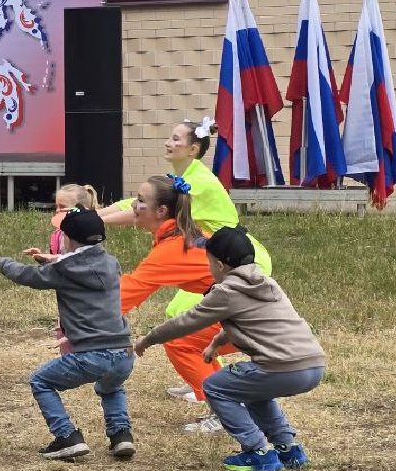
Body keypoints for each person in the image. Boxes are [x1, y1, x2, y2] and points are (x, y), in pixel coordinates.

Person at [103, 118, 274, 403]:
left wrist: (84, 320)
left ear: (194, 149)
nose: (167, 143)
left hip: (244, 262)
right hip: (233, 273)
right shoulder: (178, 190)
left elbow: (129, 290)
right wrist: (95, 214)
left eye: (176, 139)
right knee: (179, 320)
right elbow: (136, 205)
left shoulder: (196, 185)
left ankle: (218, 397)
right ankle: (208, 383)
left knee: (182, 338)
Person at [132, 227, 325, 471]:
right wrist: (215, 343)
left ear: (220, 265)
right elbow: (249, 320)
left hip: (280, 367)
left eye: (209, 262)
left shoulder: (226, 291)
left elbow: (186, 322)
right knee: (253, 391)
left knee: (215, 386)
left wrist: (148, 340)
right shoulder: (266, 283)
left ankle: (257, 451)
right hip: (313, 365)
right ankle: (288, 448)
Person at [0, 207, 136, 461]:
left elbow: (28, 276)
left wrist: (1, 262)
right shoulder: (112, 264)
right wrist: (53, 260)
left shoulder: (64, 269)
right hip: (123, 353)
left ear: (68, 238)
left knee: (40, 381)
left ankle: (67, 437)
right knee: (111, 386)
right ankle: (121, 435)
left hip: (90, 355)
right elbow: (81, 265)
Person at [119, 174, 223, 433]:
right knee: (190, 339)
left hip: (248, 313)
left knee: (181, 341)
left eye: (140, 200)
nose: (134, 205)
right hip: (248, 306)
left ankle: (225, 411)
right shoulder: (183, 236)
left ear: (161, 211)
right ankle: (227, 405)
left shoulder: (174, 247)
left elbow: (124, 294)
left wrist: (82, 315)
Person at [46, 183, 99, 355]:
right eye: (56, 207)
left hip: (83, 301)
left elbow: (80, 264)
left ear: (80, 209)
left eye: (63, 207)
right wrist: (44, 259)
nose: (57, 211)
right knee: (66, 346)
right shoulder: (57, 234)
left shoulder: (86, 236)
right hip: (66, 299)